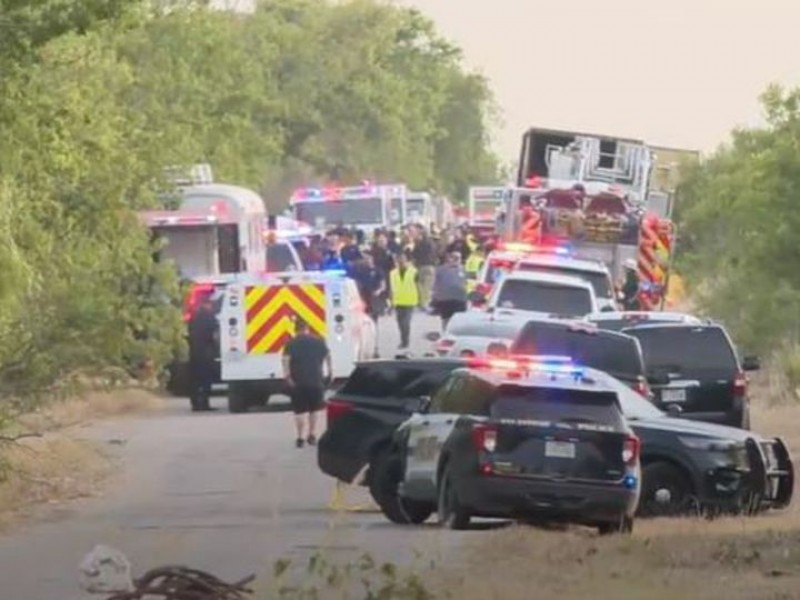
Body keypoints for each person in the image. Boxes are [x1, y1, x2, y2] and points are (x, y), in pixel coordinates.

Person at [282, 319, 332, 448]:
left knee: (299, 411)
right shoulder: (319, 341)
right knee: (314, 410)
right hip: (316, 381)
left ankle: (300, 437)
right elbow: (328, 357)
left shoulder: (290, 344)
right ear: (307, 328)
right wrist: (330, 373)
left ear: (295, 329)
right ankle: (312, 434)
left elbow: (286, 361)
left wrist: (288, 378)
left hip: (298, 382)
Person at [187, 294, 218, 412]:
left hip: (193, 351)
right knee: (206, 380)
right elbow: (214, 335)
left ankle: (194, 404)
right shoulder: (210, 317)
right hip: (206, 352)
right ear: (208, 304)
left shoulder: (194, 317)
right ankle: (204, 404)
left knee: (194, 380)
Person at [431, 251, 468, 330]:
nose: (456, 260)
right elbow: (436, 284)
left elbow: (467, 283)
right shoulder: (441, 270)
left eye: (458, 258)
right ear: (449, 258)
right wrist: (435, 296)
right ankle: (445, 333)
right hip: (446, 300)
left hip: (459, 299)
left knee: (459, 320)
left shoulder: (464, 270)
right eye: (454, 258)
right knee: (446, 319)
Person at [389, 252, 419, 350]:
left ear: (406, 261)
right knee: (400, 323)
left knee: (406, 323)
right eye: (399, 260)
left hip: (410, 301)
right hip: (398, 301)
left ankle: (405, 342)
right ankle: (403, 339)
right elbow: (392, 288)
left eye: (403, 260)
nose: (401, 262)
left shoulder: (414, 271)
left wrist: (421, 300)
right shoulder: (393, 273)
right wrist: (391, 303)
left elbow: (418, 286)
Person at [408, 225, 436, 309]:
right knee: (427, 286)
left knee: (420, 285)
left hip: (419, 266)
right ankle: (424, 303)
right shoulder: (431, 243)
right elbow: (434, 253)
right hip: (429, 265)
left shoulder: (418, 244)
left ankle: (421, 302)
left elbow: (414, 254)